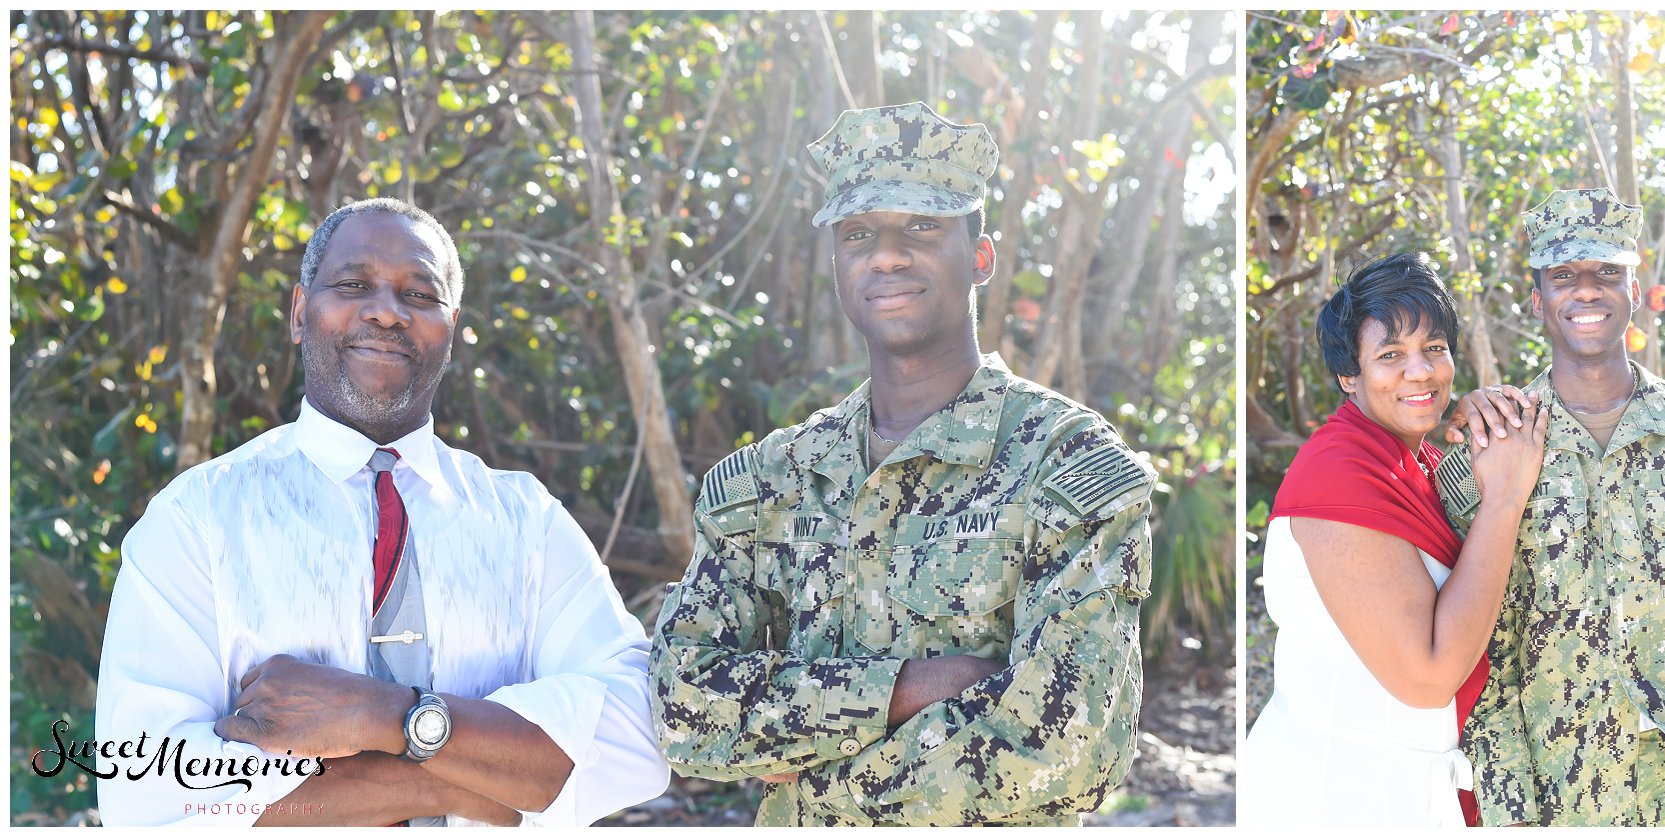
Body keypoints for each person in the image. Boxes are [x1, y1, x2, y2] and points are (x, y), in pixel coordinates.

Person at [647, 102, 1155, 826]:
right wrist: (908, 688)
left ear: (980, 258)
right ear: (837, 267)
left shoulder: (1062, 462)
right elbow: (682, 708)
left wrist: (818, 781)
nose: (885, 254)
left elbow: (1074, 741)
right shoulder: (769, 480)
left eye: (922, 227)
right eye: (858, 234)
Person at [93, 198, 669, 825]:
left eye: (419, 295)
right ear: (298, 312)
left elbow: (638, 735)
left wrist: (383, 714)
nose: (387, 312)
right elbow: (142, 791)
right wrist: (446, 782)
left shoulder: (526, 519)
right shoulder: (196, 519)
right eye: (353, 285)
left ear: (451, 329)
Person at [1436, 188, 1665, 826]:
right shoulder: (1492, 445)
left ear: (1634, 289)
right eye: (1564, 276)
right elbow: (1472, 643)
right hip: (1549, 794)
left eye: (1606, 273)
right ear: (1538, 300)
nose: (1586, 291)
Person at [1241, 253, 1548, 826]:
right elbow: (1425, 679)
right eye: (1390, 355)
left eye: (1434, 348)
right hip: (1342, 798)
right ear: (1348, 376)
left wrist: (1474, 417)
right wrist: (1504, 502)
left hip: (1402, 789)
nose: (1420, 372)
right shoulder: (1339, 474)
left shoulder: (1416, 458)